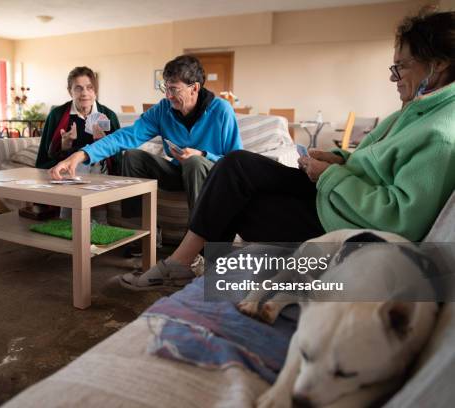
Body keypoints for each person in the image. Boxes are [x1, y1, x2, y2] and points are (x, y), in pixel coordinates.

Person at [119, 9, 455, 290]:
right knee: (237, 167)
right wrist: (338, 158)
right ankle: (192, 267)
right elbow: (375, 162)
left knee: (233, 193)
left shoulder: (439, 133)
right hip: (338, 195)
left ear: (437, 64)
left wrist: (332, 175)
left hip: (344, 216)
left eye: (402, 66)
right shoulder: (413, 111)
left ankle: (193, 267)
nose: (394, 77)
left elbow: (400, 221)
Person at [50, 55, 242, 221]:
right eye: (164, 88)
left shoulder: (222, 111)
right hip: (177, 173)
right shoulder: (162, 110)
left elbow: (236, 162)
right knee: (132, 156)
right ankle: (142, 232)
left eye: (174, 89)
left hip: (210, 176)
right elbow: (125, 136)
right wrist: (80, 155)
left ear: (194, 88)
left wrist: (203, 154)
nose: (167, 95)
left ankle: (199, 244)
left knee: (194, 163)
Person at [35, 66, 121, 222]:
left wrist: (103, 144)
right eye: (78, 88)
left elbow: (118, 156)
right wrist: (64, 145)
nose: (85, 93)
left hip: (100, 169)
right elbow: (46, 155)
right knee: (77, 166)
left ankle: (85, 223)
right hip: (69, 169)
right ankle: (78, 222)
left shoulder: (108, 115)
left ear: (95, 91)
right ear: (70, 91)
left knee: (87, 166)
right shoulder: (57, 115)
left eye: (89, 88)